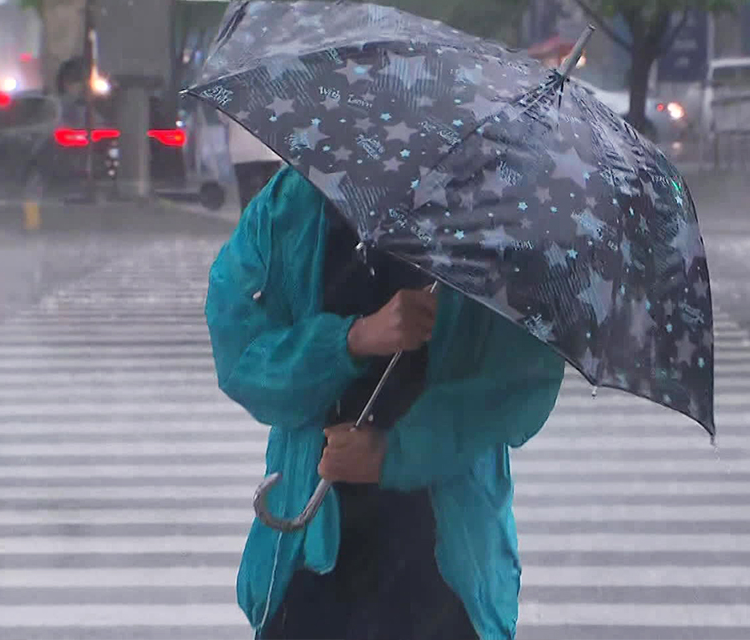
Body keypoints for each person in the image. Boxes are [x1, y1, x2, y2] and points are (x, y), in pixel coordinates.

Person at [205, 167, 567, 640]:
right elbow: (241, 355)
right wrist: (352, 341)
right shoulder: (290, 203)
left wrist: (394, 454)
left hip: (443, 558)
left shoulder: (499, 219)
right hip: (311, 549)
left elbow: (522, 383)